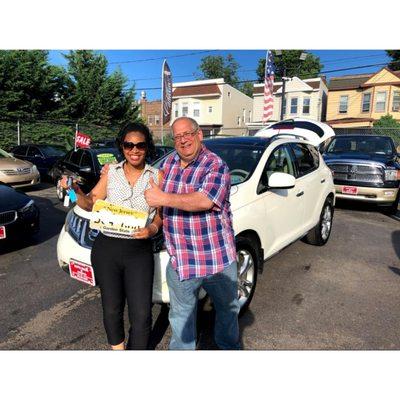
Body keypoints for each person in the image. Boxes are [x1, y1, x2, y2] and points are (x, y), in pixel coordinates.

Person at [61, 122, 162, 350]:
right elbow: (90, 203)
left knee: (142, 313)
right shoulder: (111, 173)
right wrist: (75, 191)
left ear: (147, 147)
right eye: (129, 145)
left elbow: (161, 216)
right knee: (112, 308)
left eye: (140, 145)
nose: (134, 150)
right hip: (107, 249)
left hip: (139, 251)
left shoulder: (157, 175)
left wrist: (152, 229)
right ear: (122, 146)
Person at [144, 116, 240, 350]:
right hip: (182, 261)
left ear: (199, 135)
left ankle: (229, 348)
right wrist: (112, 173)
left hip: (216, 260)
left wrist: (163, 198)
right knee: (180, 317)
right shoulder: (167, 166)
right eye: (177, 136)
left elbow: (205, 200)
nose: (182, 140)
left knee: (227, 311)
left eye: (187, 134)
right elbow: (148, 191)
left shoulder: (215, 165)